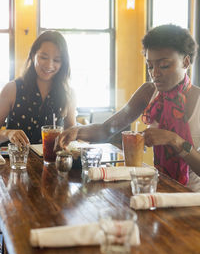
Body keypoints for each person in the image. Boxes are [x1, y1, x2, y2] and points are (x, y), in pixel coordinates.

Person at [59, 24, 200, 191]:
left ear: (185, 62)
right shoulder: (148, 92)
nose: (154, 73)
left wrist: (174, 140)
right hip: (156, 188)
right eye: (150, 66)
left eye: (164, 66)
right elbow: (107, 129)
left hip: (192, 198)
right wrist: (76, 131)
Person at [0, 31, 76, 147]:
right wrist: (8, 133)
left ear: (63, 63)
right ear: (33, 55)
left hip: (51, 162)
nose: (49, 65)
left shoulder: (68, 93)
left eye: (56, 60)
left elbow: (71, 135)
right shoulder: (12, 89)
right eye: (43, 57)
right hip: (15, 162)